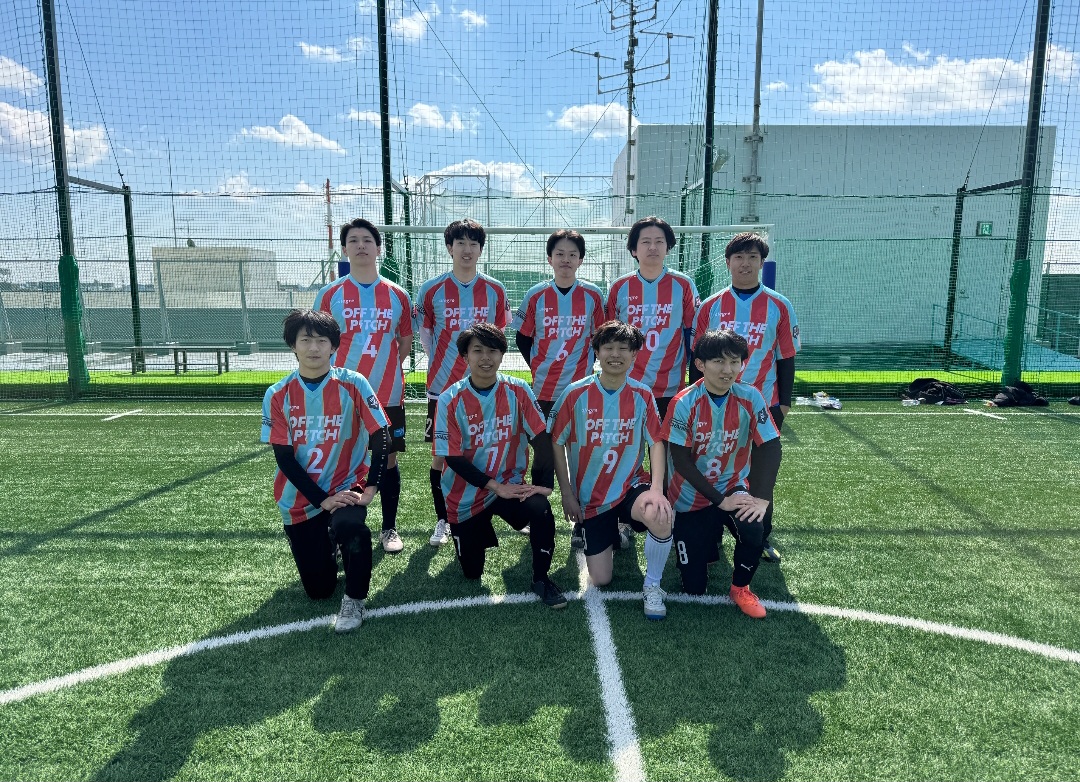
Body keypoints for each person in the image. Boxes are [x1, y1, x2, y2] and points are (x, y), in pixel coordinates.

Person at [261, 309, 393, 633]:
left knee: (353, 528)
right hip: (301, 498)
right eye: (306, 340)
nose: (314, 348)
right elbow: (284, 458)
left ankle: (354, 600)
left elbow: (381, 436)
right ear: (293, 345)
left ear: (334, 346)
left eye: (322, 340)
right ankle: (326, 543)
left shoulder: (354, 383)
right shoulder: (277, 394)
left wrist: (371, 488)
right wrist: (322, 500)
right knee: (319, 590)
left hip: (348, 484)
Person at [432, 323, 567, 608]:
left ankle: (541, 578)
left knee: (540, 508)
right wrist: (495, 487)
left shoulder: (518, 390)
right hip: (466, 494)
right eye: (477, 350)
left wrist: (543, 485)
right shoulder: (449, 399)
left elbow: (542, 440)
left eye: (492, 350)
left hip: (510, 485)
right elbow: (452, 457)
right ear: (465, 356)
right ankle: (476, 528)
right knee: (472, 572)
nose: (486, 357)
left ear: (502, 355)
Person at [549, 320, 674, 619]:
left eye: (623, 348)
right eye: (608, 348)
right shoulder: (575, 393)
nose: (615, 354)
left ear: (634, 355)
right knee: (601, 579)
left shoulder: (642, 394)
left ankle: (653, 586)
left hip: (631, 486)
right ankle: (615, 534)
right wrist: (567, 494)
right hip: (592, 497)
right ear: (597, 352)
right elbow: (556, 442)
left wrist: (657, 490)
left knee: (660, 513)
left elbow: (656, 442)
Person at [692, 232, 799, 563]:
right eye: (738, 257)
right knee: (713, 467)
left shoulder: (780, 305)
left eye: (753, 257)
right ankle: (712, 531)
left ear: (762, 263)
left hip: (763, 405)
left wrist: (783, 404)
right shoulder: (710, 306)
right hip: (715, 404)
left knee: (760, 473)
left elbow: (787, 357)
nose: (745, 263)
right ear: (727, 263)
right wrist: (696, 399)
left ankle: (761, 535)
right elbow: (697, 358)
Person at [663, 329, 781, 619]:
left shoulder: (750, 397)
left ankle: (741, 588)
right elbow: (681, 461)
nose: (727, 370)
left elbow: (770, 447)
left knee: (753, 525)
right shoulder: (683, 402)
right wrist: (719, 500)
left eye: (734, 362)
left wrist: (762, 499)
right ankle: (703, 543)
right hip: (690, 495)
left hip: (731, 484)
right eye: (718, 361)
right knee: (694, 588)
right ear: (700, 364)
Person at [314, 218, 412, 555]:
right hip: (342, 395)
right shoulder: (330, 294)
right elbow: (319, 341)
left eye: (367, 240)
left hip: (388, 393)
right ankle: (338, 530)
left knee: (388, 460)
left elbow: (404, 341)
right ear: (344, 249)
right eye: (353, 240)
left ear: (378, 248)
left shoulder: (398, 294)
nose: (360, 245)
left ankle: (389, 528)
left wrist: (384, 369)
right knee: (340, 459)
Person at [413, 219, 510, 547]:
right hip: (442, 388)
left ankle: (494, 511)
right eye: (461, 243)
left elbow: (498, 337)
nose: (467, 250)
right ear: (449, 247)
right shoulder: (431, 289)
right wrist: (445, 365)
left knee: (490, 449)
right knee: (441, 456)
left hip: (485, 389)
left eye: (473, 244)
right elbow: (426, 337)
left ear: (481, 249)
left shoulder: (495, 289)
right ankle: (443, 519)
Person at [605, 216, 700, 422]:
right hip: (627, 382)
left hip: (671, 385)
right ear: (634, 249)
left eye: (659, 241)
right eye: (646, 241)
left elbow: (693, 335)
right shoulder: (619, 287)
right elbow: (608, 338)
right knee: (628, 439)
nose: (653, 247)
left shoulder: (684, 284)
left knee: (665, 441)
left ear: (668, 248)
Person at [512, 229, 605, 420]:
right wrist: (536, 365)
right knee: (544, 438)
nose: (566, 260)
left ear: (580, 260)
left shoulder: (593, 294)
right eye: (560, 254)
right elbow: (522, 338)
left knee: (580, 438)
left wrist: (587, 362)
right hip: (544, 387)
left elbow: (601, 337)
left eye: (572, 255)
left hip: (581, 384)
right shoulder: (535, 295)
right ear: (550, 259)